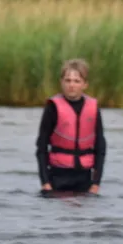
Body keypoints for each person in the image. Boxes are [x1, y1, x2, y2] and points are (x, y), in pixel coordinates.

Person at [36, 58, 106, 195]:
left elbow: (101, 148)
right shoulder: (52, 107)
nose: (71, 85)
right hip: (57, 177)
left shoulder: (93, 108)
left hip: (84, 178)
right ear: (61, 82)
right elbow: (41, 148)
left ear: (85, 84)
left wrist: (96, 184)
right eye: (67, 80)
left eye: (76, 81)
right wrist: (45, 183)